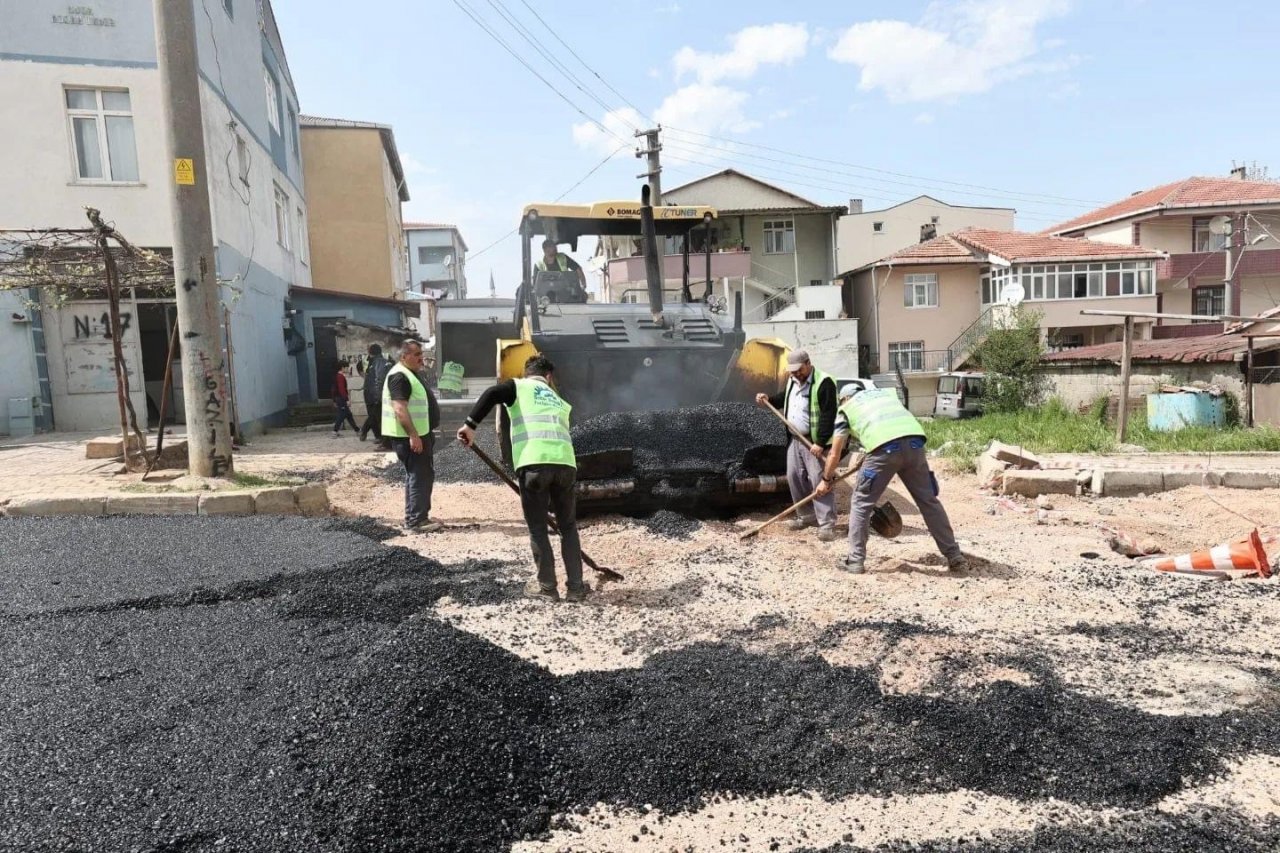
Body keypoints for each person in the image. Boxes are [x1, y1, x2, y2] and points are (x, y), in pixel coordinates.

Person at [457, 354, 587, 603]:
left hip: (533, 465)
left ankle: (547, 588)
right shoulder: (560, 401)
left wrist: (470, 425)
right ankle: (576, 588)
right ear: (549, 377)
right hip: (566, 465)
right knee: (568, 527)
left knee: (538, 527)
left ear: (527, 373)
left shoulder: (518, 386)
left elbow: (491, 394)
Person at [816, 383, 967, 575]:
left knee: (861, 503)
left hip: (884, 451)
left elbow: (835, 453)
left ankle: (854, 561)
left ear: (844, 399)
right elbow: (891, 428)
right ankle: (955, 557)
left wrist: (826, 479)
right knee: (929, 501)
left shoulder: (847, 408)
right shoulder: (885, 396)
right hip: (915, 445)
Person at [755, 349, 840, 541]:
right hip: (795, 438)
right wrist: (768, 399)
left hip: (813, 441)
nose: (795, 374)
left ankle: (826, 523)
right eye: (792, 371)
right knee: (794, 477)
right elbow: (784, 397)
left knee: (820, 480)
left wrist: (819, 442)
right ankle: (806, 516)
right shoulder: (793, 381)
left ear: (808, 363)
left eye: (799, 370)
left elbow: (829, 414)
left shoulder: (824, 382)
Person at [382, 339, 442, 532]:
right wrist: (413, 435)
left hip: (420, 434)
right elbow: (400, 408)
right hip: (409, 437)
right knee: (419, 476)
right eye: (416, 354)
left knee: (419, 475)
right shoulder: (399, 376)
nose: (421, 358)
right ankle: (417, 520)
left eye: (421, 354)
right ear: (403, 356)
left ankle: (416, 516)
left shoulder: (410, 373)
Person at [359, 343, 391, 449]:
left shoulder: (378, 362)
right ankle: (380, 438)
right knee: (375, 417)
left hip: (373, 395)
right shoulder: (375, 361)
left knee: (377, 417)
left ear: (370, 352)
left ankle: (383, 440)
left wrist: (378, 396)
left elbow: (379, 379)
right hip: (371, 394)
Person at [331, 360, 359, 438]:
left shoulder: (336, 376)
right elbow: (341, 389)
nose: (347, 369)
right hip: (341, 398)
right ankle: (334, 431)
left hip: (338, 398)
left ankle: (357, 430)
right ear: (342, 368)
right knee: (341, 415)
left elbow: (333, 389)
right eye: (347, 367)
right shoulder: (340, 377)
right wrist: (346, 399)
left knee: (348, 415)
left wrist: (334, 400)